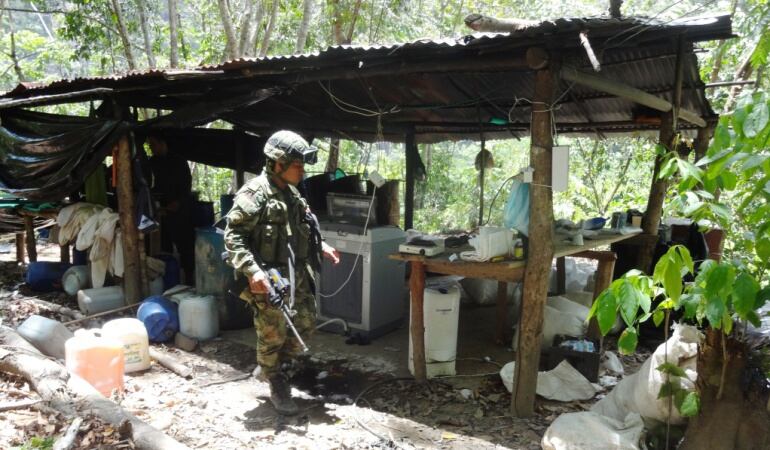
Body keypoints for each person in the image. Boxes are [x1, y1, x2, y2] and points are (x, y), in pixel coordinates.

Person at [224, 130, 340, 415]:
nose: (302, 171)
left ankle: (277, 369)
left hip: (297, 276)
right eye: (297, 165)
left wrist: (321, 245)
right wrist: (253, 272)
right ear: (278, 163)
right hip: (269, 279)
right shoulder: (255, 194)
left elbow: (303, 227)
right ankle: (276, 382)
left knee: (305, 324)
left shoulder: (292, 194)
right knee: (272, 334)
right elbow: (233, 236)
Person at [147, 135, 196, 285]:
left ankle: (188, 278)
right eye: (150, 146)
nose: (151, 149)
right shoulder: (153, 162)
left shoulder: (179, 162)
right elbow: (152, 185)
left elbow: (186, 187)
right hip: (163, 210)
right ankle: (169, 279)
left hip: (181, 210)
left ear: (163, 143)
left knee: (185, 245)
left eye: (153, 145)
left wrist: (178, 202)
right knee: (164, 245)